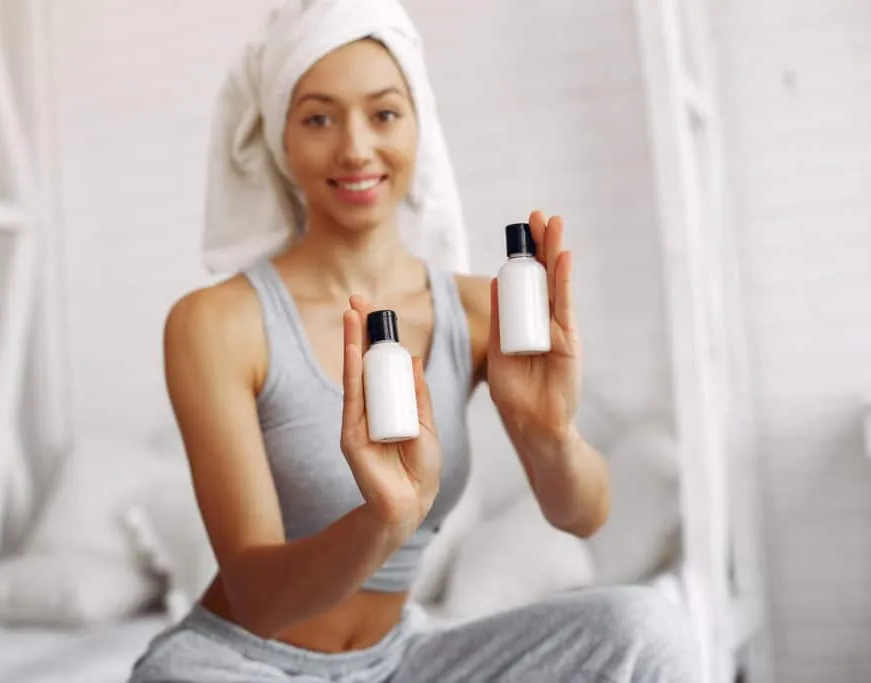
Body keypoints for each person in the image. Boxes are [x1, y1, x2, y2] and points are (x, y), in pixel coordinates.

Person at [129, 1, 700, 681]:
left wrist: (551, 435)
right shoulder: (217, 324)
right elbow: (256, 597)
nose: (355, 148)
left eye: (383, 114)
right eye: (318, 118)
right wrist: (382, 521)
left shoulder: (476, 311)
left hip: (400, 660)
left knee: (646, 627)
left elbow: (584, 515)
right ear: (280, 137)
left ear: (417, 123)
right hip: (244, 663)